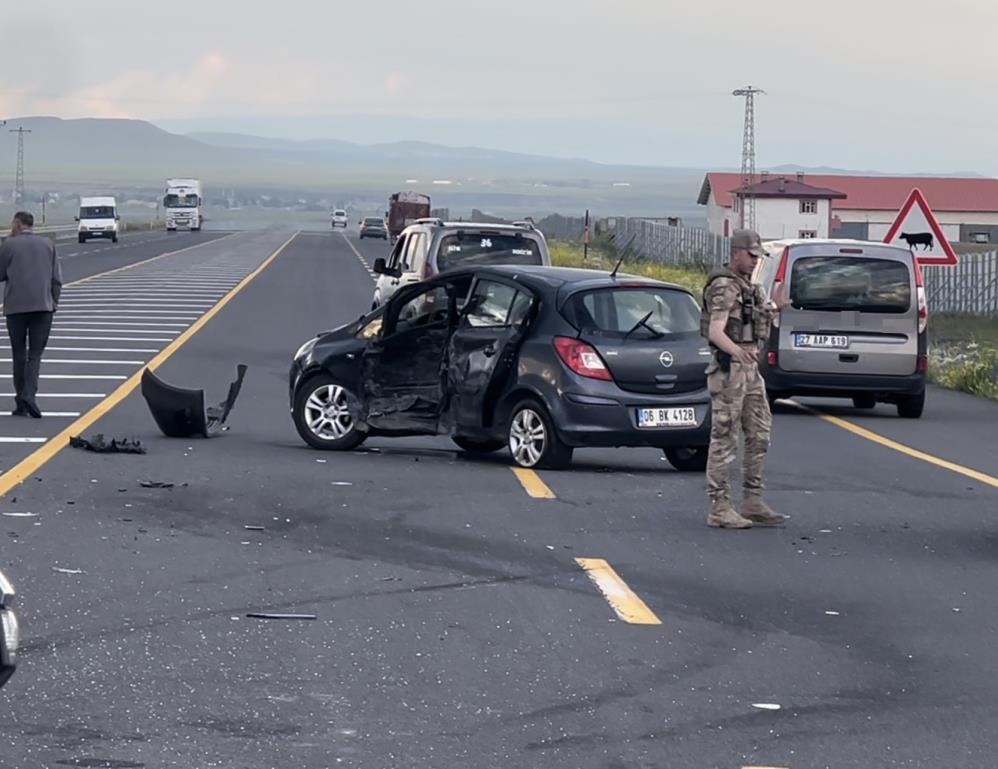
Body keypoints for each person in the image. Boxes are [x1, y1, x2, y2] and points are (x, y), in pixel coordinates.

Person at [701, 228, 786, 529]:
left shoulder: (749, 287)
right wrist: (736, 351)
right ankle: (719, 506)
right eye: (750, 256)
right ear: (735, 252)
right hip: (731, 370)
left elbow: (756, 322)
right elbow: (715, 331)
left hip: (749, 369)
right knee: (725, 437)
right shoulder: (725, 287)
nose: (754, 262)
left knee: (760, 431)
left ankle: (752, 499)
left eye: (757, 257)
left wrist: (773, 308)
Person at [0, 211, 62, 418]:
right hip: (43, 307)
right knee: (35, 355)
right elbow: (56, 279)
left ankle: (21, 401)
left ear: (18, 224)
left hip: (16, 308)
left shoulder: (9, 244)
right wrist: (53, 302)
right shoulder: (48, 244)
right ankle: (30, 395)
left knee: (19, 354)